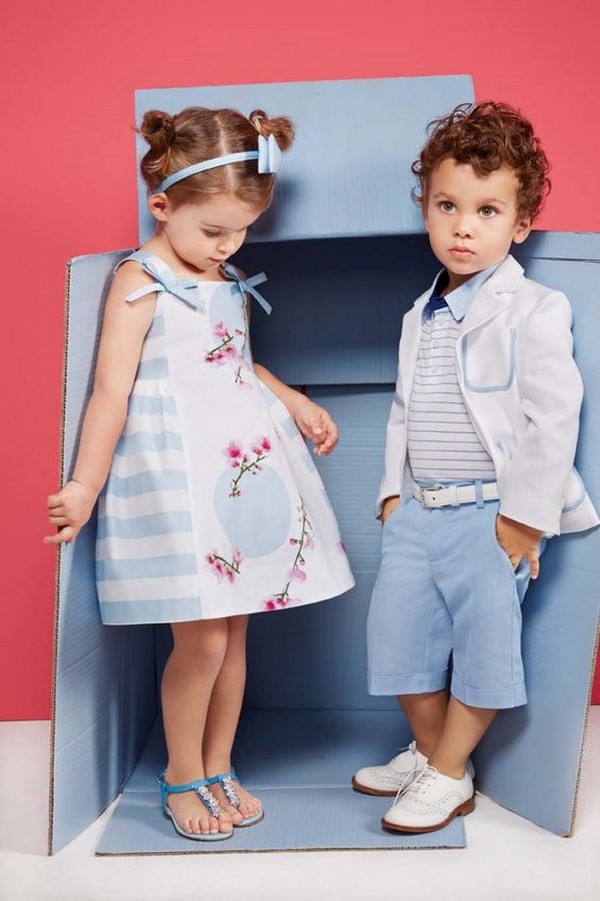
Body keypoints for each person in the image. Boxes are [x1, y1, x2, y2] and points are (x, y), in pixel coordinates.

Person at [45, 105, 354, 842]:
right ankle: (182, 772)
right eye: (214, 230)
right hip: (179, 476)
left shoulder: (228, 275)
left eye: (242, 230)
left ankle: (218, 763)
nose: (228, 246)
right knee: (204, 640)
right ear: (162, 206)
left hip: (237, 472)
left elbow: (235, 361)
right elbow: (110, 391)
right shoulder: (139, 279)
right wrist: (85, 485)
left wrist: (293, 402)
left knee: (235, 633)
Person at [352, 101, 598, 834]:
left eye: (487, 211)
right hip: (419, 510)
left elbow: (554, 417)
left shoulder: (535, 308)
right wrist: (393, 493)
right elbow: (403, 410)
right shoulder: (419, 315)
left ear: (520, 224)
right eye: (447, 206)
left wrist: (523, 517)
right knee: (396, 638)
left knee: (485, 645)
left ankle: (448, 770)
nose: (464, 227)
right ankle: (436, 758)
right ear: (426, 209)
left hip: (491, 514)